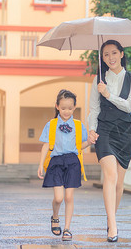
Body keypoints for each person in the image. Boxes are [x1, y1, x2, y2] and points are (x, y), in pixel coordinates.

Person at [88, 40, 131, 243]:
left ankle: (112, 220)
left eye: (114, 53)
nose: (110, 57)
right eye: (106, 54)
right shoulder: (98, 79)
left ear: (121, 53)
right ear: (102, 58)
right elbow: (94, 109)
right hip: (105, 131)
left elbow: (129, 106)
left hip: (125, 131)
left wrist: (108, 94)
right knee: (110, 176)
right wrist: (92, 129)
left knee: (119, 183)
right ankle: (113, 225)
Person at [37, 89, 91, 241]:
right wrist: (41, 164)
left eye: (70, 108)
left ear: (74, 107)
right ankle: (55, 217)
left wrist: (91, 141)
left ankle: (67, 229)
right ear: (57, 107)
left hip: (73, 162)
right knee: (59, 198)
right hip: (56, 162)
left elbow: (81, 145)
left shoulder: (79, 125)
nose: (66, 111)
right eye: (63, 108)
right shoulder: (52, 124)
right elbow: (46, 145)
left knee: (69, 197)